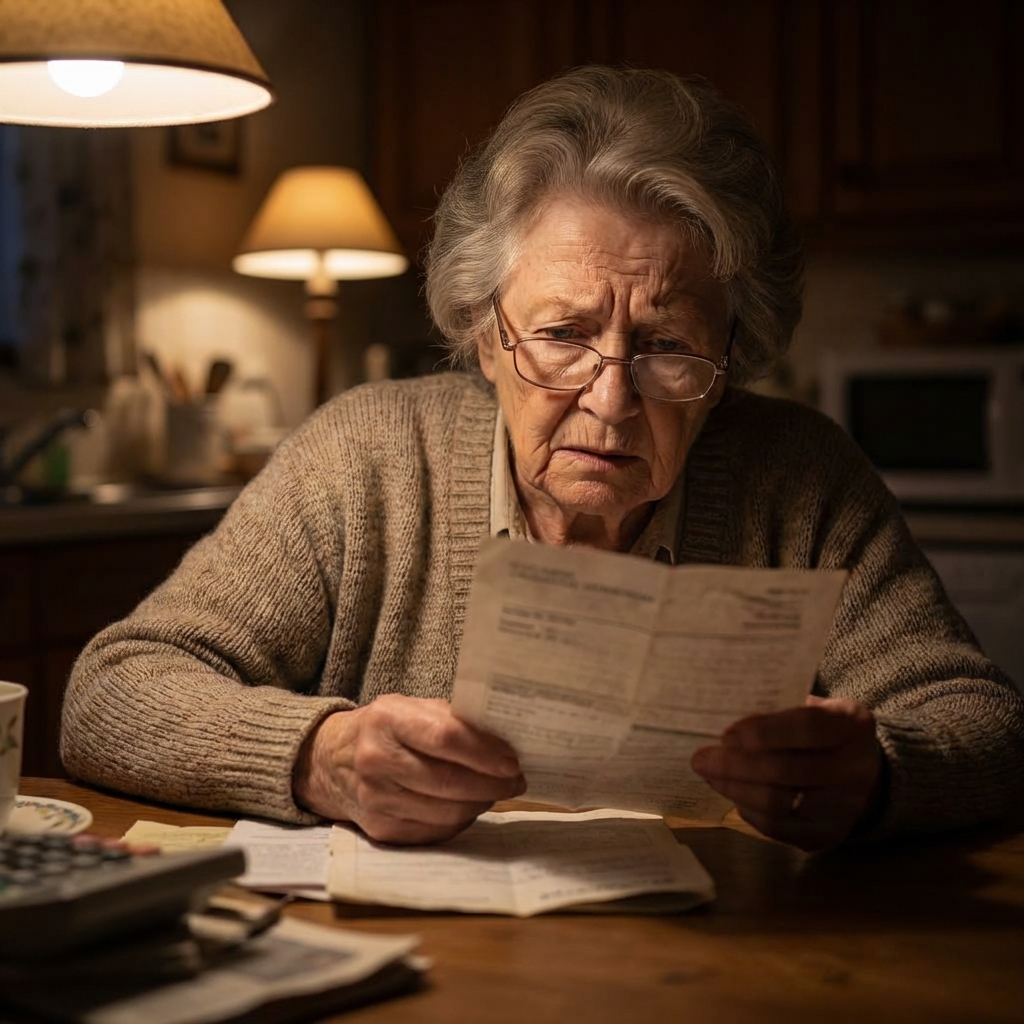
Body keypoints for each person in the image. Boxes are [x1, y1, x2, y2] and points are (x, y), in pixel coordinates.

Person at [62, 67, 1024, 852]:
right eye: (562, 334)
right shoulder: (366, 457)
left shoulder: (802, 479)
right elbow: (112, 691)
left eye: (667, 347)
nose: (610, 402)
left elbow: (984, 723)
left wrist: (883, 773)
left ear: (731, 361)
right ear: (484, 336)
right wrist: (322, 753)